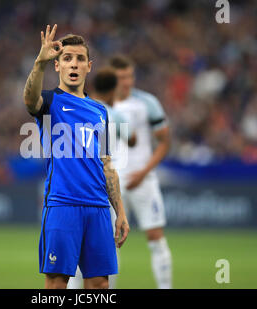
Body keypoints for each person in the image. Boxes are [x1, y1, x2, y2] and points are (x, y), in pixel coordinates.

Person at [22, 25, 130, 289]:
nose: (74, 64)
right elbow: (29, 100)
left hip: (98, 209)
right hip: (63, 206)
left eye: (80, 59)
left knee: (99, 286)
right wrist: (39, 63)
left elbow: (107, 165)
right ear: (57, 66)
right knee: (57, 285)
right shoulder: (49, 102)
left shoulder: (100, 112)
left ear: (88, 67)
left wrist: (121, 213)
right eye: (67, 58)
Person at [67, 66, 135, 289]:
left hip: (78, 186)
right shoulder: (112, 114)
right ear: (113, 91)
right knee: (109, 248)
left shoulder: (78, 109)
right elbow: (132, 139)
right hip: (108, 185)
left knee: (74, 249)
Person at [109, 55, 173, 289]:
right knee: (108, 243)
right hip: (111, 183)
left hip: (143, 180)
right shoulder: (99, 105)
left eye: (130, 76)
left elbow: (165, 142)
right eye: (121, 77)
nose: (127, 81)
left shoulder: (148, 103)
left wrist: (144, 172)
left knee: (156, 239)